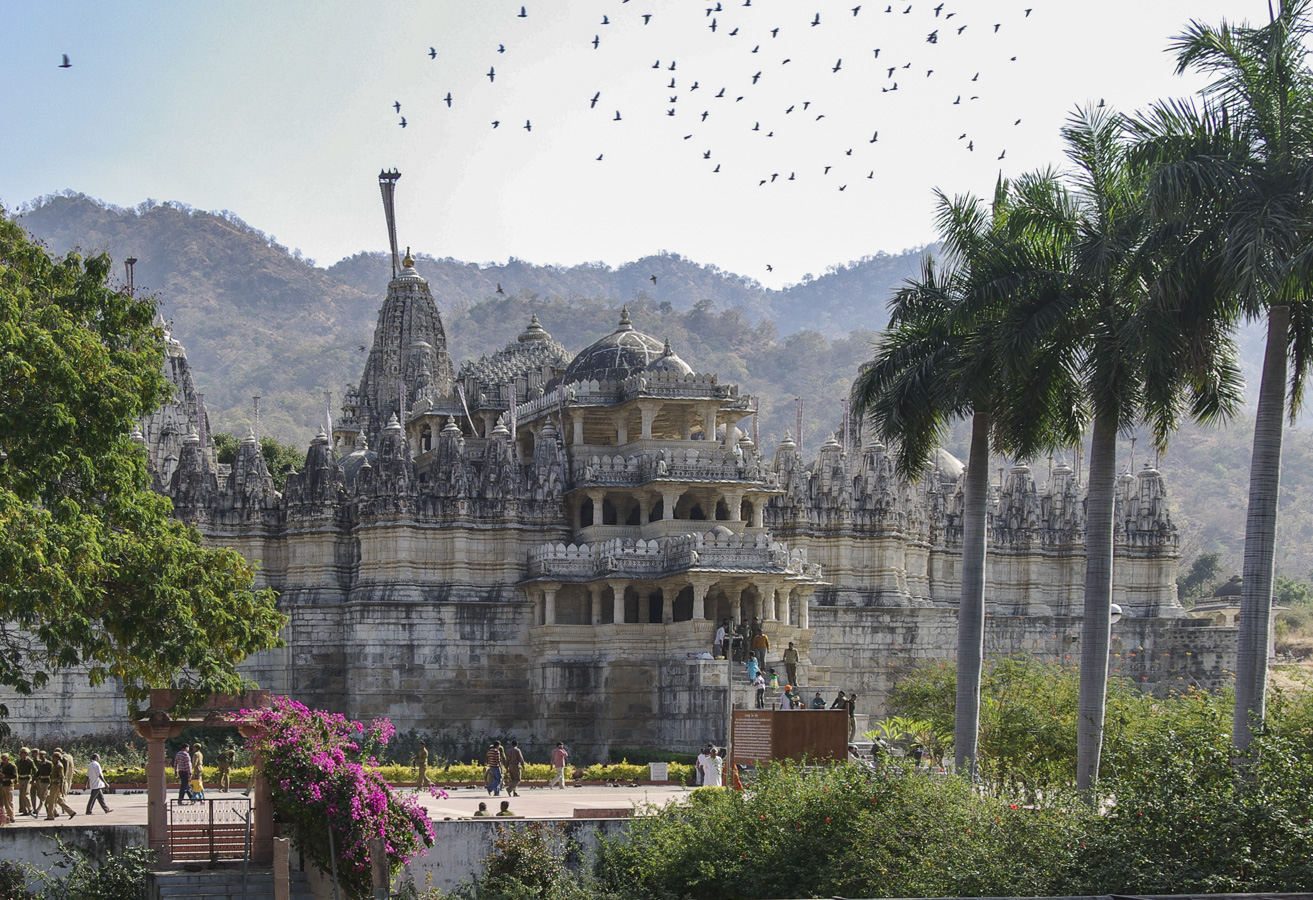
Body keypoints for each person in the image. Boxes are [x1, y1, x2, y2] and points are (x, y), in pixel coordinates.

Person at [44, 750, 75, 820]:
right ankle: (71, 812)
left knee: (51, 800)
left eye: (54, 757)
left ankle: (50, 815)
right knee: (59, 800)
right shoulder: (54, 765)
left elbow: (61, 777)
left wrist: (61, 788)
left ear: (57, 758)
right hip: (54, 784)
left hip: (57, 785)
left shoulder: (59, 766)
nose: (53, 758)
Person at [15, 748, 33, 817]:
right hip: (21, 778)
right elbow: (16, 770)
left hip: (27, 779)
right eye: (23, 753)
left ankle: (30, 808)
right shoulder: (18, 761)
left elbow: (35, 770)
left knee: (25, 794)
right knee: (22, 794)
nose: (24, 755)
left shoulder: (29, 761)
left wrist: (34, 779)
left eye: (25, 753)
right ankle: (24, 810)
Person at [33, 750, 51, 818]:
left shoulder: (49, 763)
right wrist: (33, 779)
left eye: (42, 755)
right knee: (42, 796)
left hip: (47, 781)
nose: (41, 756)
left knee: (43, 796)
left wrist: (51, 783)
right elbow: (38, 773)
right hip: (41, 780)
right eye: (40, 755)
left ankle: (37, 810)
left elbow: (52, 773)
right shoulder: (40, 764)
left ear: (45, 755)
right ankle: (53, 811)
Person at [0, 753, 16, 825]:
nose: (4, 761)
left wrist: (5, 776)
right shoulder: (2, 766)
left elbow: (14, 776)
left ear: (8, 759)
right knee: (3, 802)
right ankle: (5, 816)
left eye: (5, 759)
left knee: (9, 801)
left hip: (9, 784)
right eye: (2, 759)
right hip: (3, 784)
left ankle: (12, 816)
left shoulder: (12, 766)